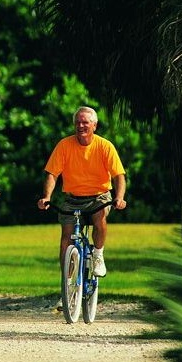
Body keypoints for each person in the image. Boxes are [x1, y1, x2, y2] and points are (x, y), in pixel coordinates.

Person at [37, 106, 127, 279]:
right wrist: (47, 197)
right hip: (72, 198)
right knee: (66, 238)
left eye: (85, 122)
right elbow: (52, 174)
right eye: (77, 122)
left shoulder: (105, 146)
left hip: (99, 196)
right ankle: (67, 285)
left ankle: (98, 254)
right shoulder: (64, 145)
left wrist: (119, 197)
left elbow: (119, 176)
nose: (81, 126)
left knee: (99, 216)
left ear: (94, 125)